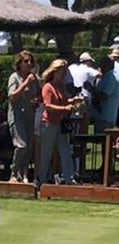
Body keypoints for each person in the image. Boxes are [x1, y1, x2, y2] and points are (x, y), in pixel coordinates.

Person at [38, 58, 82, 186]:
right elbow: (47, 105)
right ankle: (42, 180)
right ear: (55, 71)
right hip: (49, 124)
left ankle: (69, 178)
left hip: (60, 124)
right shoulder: (48, 87)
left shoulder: (60, 86)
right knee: (46, 153)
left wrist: (72, 101)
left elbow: (63, 101)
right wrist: (65, 108)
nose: (64, 74)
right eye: (62, 71)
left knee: (65, 151)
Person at [6, 51, 40, 183]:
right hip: (17, 115)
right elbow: (12, 96)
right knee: (21, 145)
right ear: (19, 63)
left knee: (28, 148)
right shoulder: (14, 77)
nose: (29, 63)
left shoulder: (33, 79)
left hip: (29, 115)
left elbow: (38, 95)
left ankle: (21, 175)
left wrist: (36, 100)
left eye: (31, 61)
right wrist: (25, 83)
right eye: (26, 61)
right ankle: (13, 174)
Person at [91, 54, 119, 133]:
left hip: (106, 117)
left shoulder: (110, 78)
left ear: (107, 65)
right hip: (101, 116)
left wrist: (92, 91)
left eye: (102, 63)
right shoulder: (105, 77)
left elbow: (105, 95)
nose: (100, 66)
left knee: (104, 141)